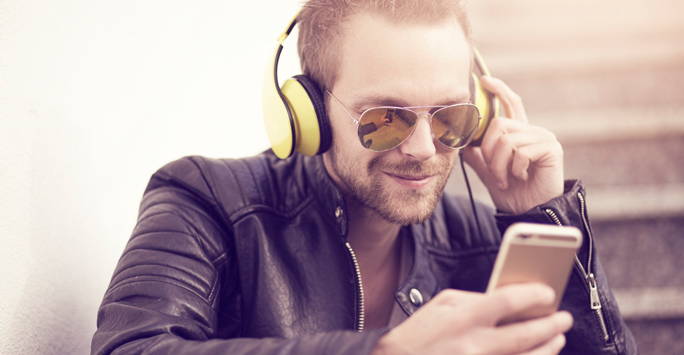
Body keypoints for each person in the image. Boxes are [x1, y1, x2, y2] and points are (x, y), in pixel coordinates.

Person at [91, 0, 637, 354]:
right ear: (306, 114)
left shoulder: (485, 233)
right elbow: (131, 349)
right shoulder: (205, 200)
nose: (424, 150)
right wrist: (389, 351)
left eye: (450, 116)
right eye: (384, 120)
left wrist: (543, 216)